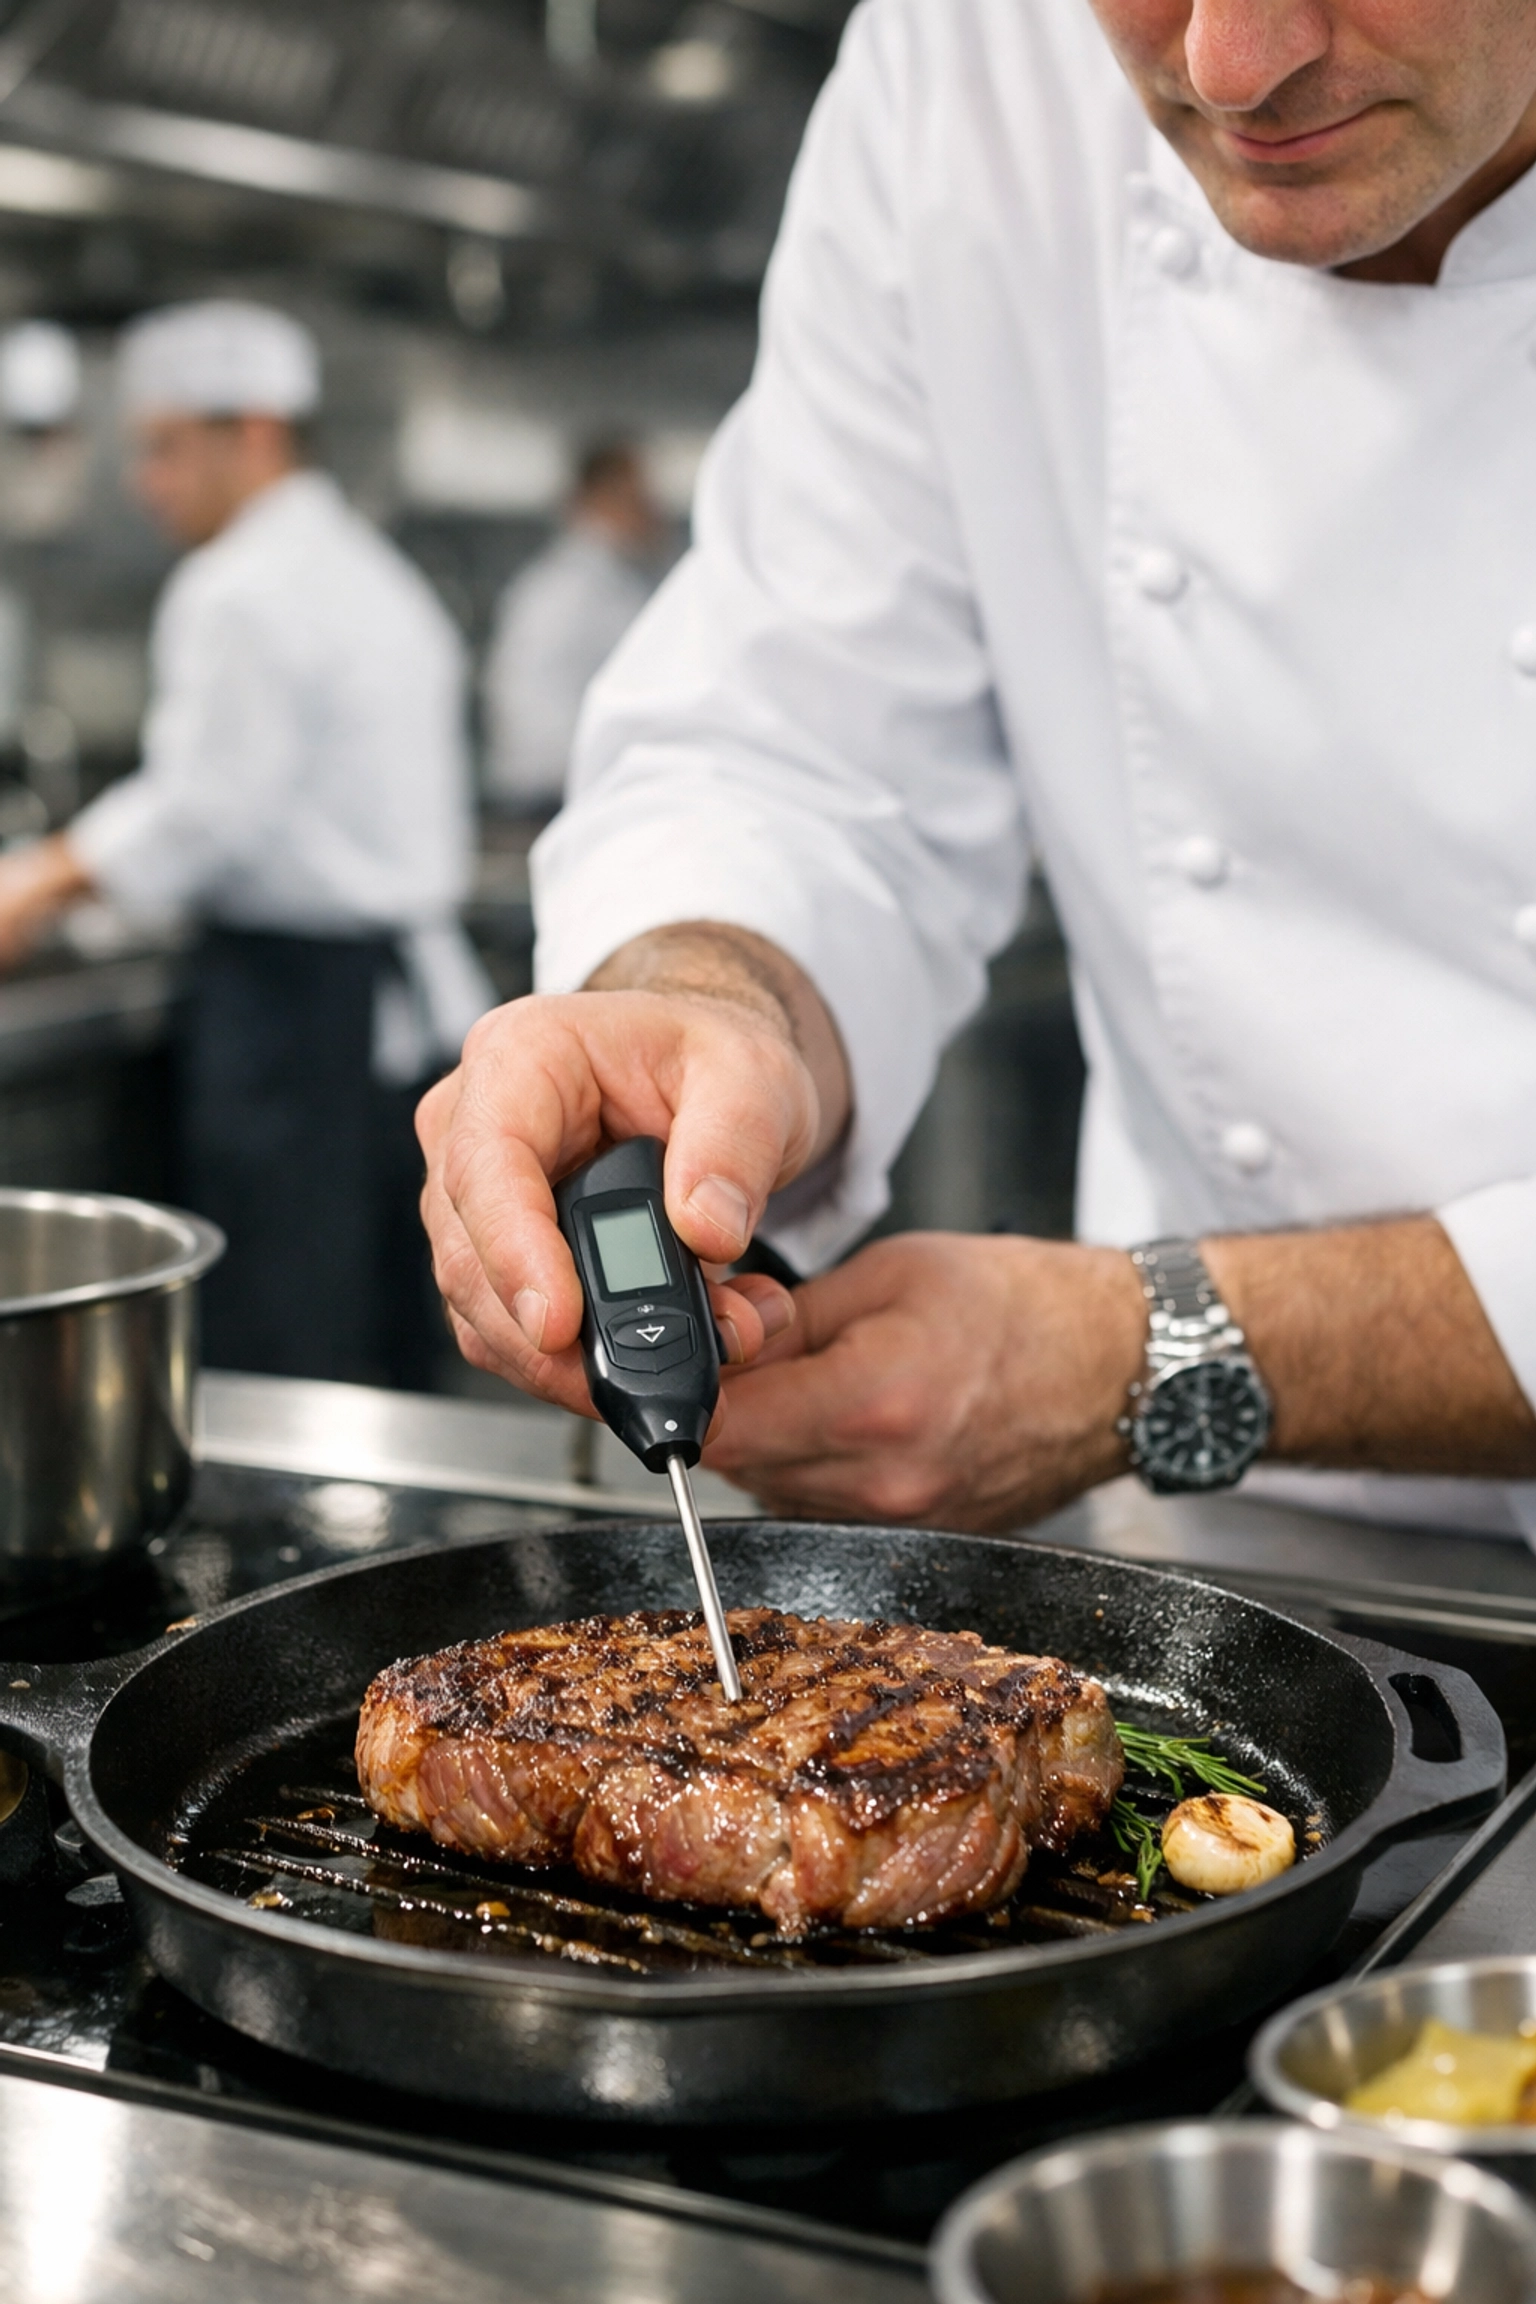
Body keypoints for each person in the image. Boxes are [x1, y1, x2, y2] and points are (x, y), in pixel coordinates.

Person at [419, 0, 1536, 1545]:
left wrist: (1140, 1349)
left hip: (1159, 1410)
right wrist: (711, 1001)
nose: (1232, 64)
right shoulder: (965, 61)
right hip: (1226, 1529)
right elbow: (803, 731)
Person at [0, 299, 491, 1385]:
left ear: (256, 433)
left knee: (286, 1323)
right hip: (388, 1010)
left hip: (295, 1011)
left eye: (167, 449)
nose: (146, 481)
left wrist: (35, 883)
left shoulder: (238, 587)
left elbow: (208, 808)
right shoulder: (368, 570)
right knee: (381, 1321)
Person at [481, 441, 665, 813]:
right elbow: (522, 707)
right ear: (596, 496)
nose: (649, 508)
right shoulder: (563, 591)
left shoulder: (617, 585)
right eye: (633, 494)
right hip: (552, 800)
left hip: (586, 792)